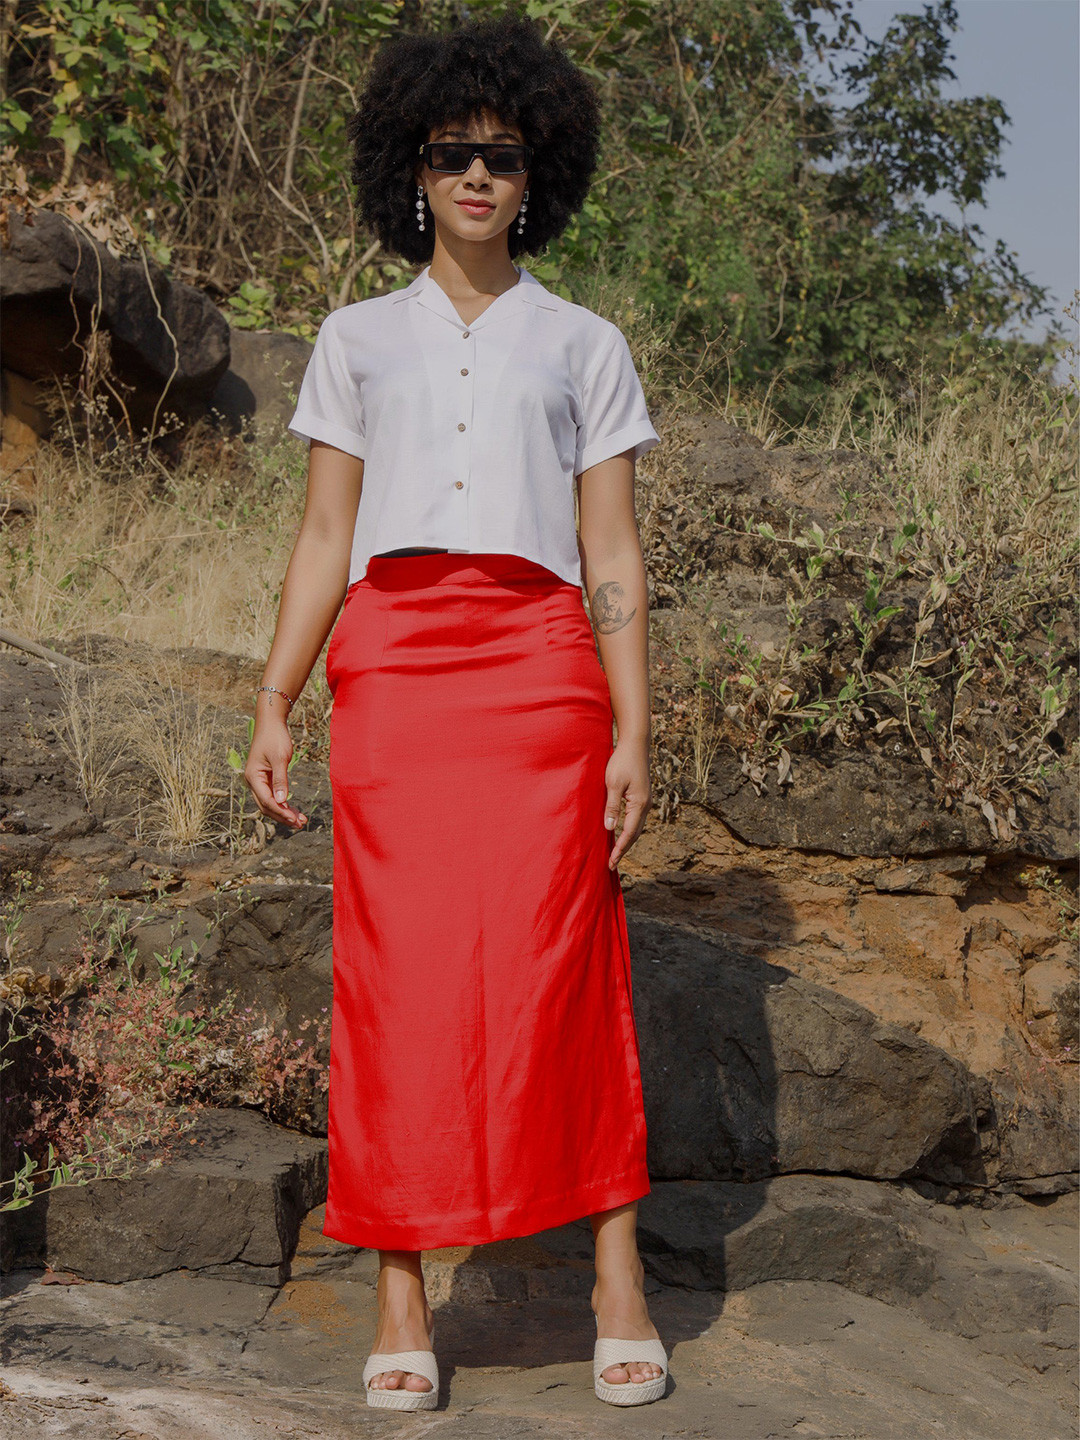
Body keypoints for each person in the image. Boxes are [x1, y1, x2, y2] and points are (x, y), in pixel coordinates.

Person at [244, 12, 668, 1413]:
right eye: (452, 154)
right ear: (410, 170)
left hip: (544, 670)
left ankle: (616, 1277)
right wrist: (276, 696)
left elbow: (611, 556)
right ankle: (402, 1292)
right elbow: (323, 535)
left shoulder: (585, 342)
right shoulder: (356, 337)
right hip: (403, 671)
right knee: (400, 983)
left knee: (567, 968)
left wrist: (635, 727)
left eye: (503, 154)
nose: (478, 176)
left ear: (538, 169)